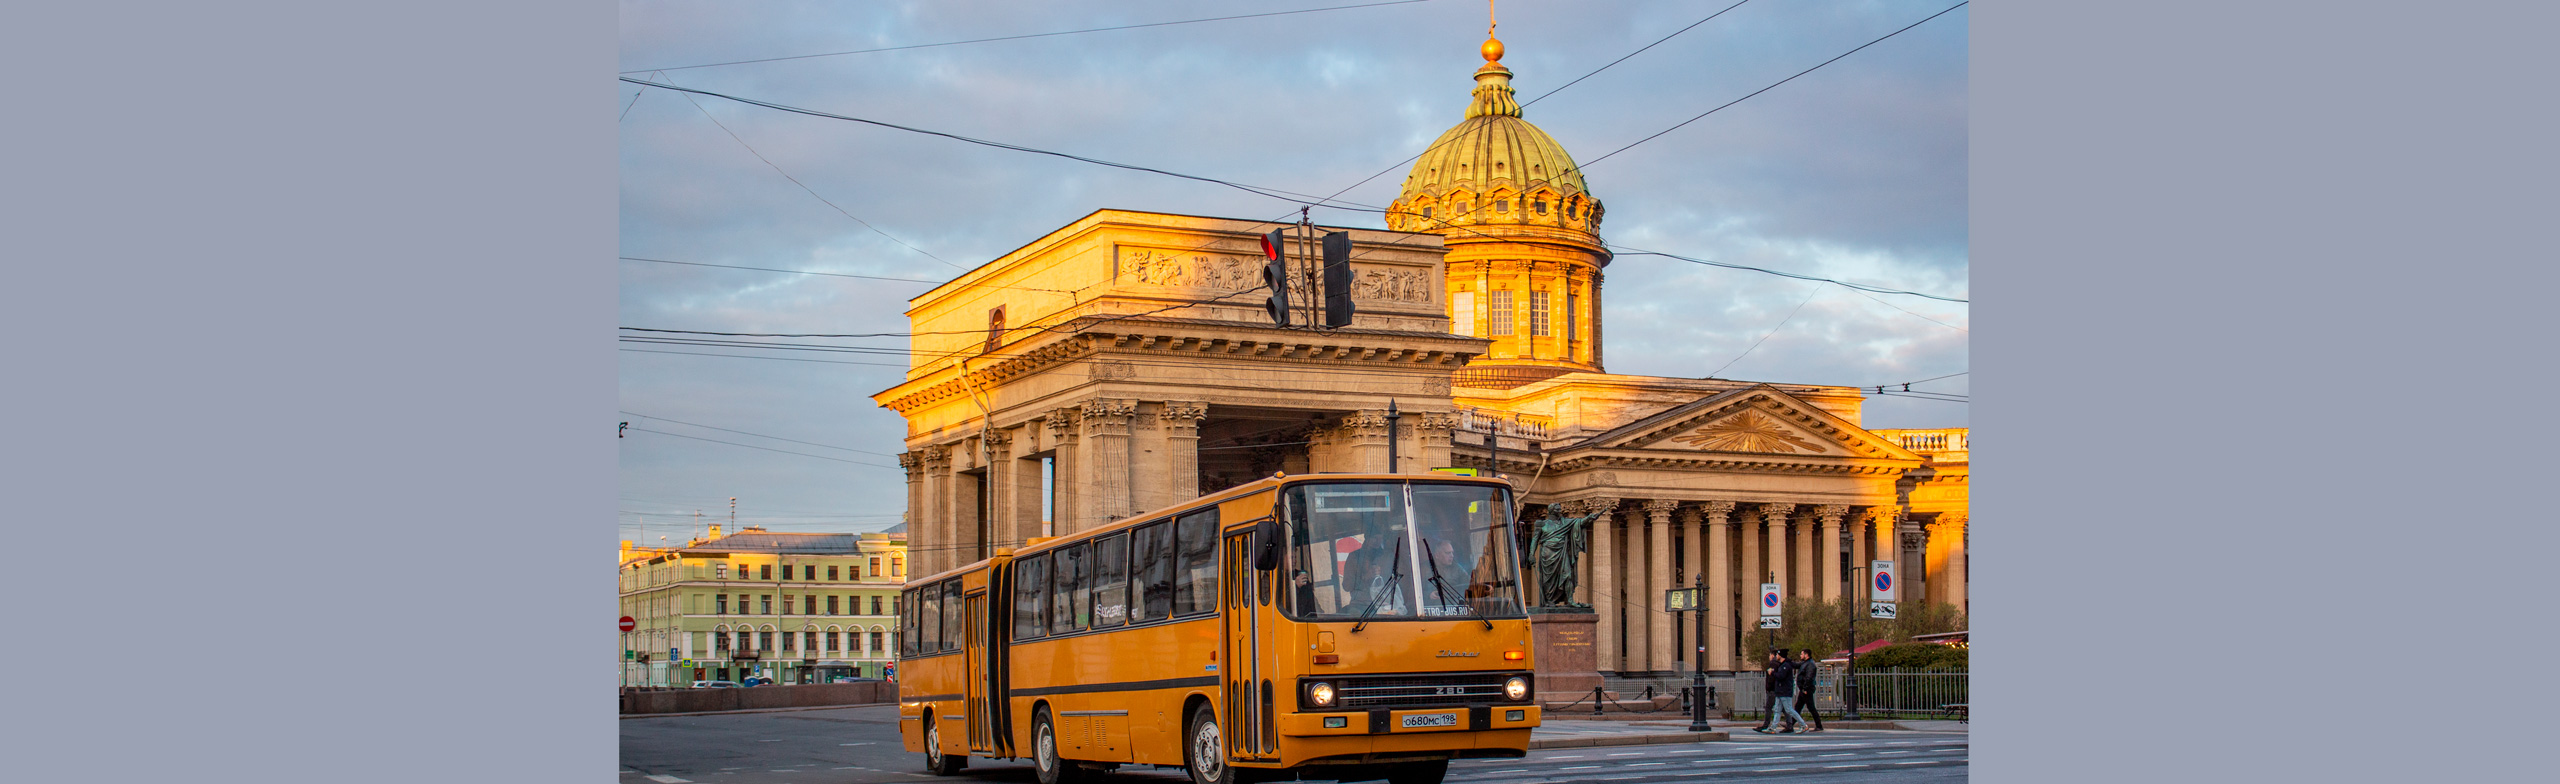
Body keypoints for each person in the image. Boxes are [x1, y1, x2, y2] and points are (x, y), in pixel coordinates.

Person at [1766, 654, 1807, 734]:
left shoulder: (1786, 666)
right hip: (1780, 691)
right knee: (1777, 710)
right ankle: (1773, 727)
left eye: (1777, 654)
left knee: (1789, 710)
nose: (1776, 656)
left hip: (1784, 692)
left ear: (1781, 655)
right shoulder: (1782, 665)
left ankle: (1803, 725)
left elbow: (1781, 676)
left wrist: (1772, 673)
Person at [1753, 650, 1788, 733]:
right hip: (1777, 689)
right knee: (1784, 708)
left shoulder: (1773, 663)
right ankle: (1790, 724)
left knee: (1769, 707)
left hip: (1772, 690)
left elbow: (1771, 678)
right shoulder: (1779, 664)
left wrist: (1769, 687)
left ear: (1772, 655)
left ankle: (1766, 725)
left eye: (1769, 655)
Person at [1793, 649, 1825, 732]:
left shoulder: (1810, 664)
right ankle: (1790, 724)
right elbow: (1796, 665)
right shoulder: (1805, 663)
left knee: (1810, 707)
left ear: (1806, 655)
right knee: (1798, 707)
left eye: (1802, 654)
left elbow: (1809, 677)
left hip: (1806, 689)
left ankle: (1819, 725)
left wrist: (1805, 688)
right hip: (1803, 689)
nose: (1800, 655)